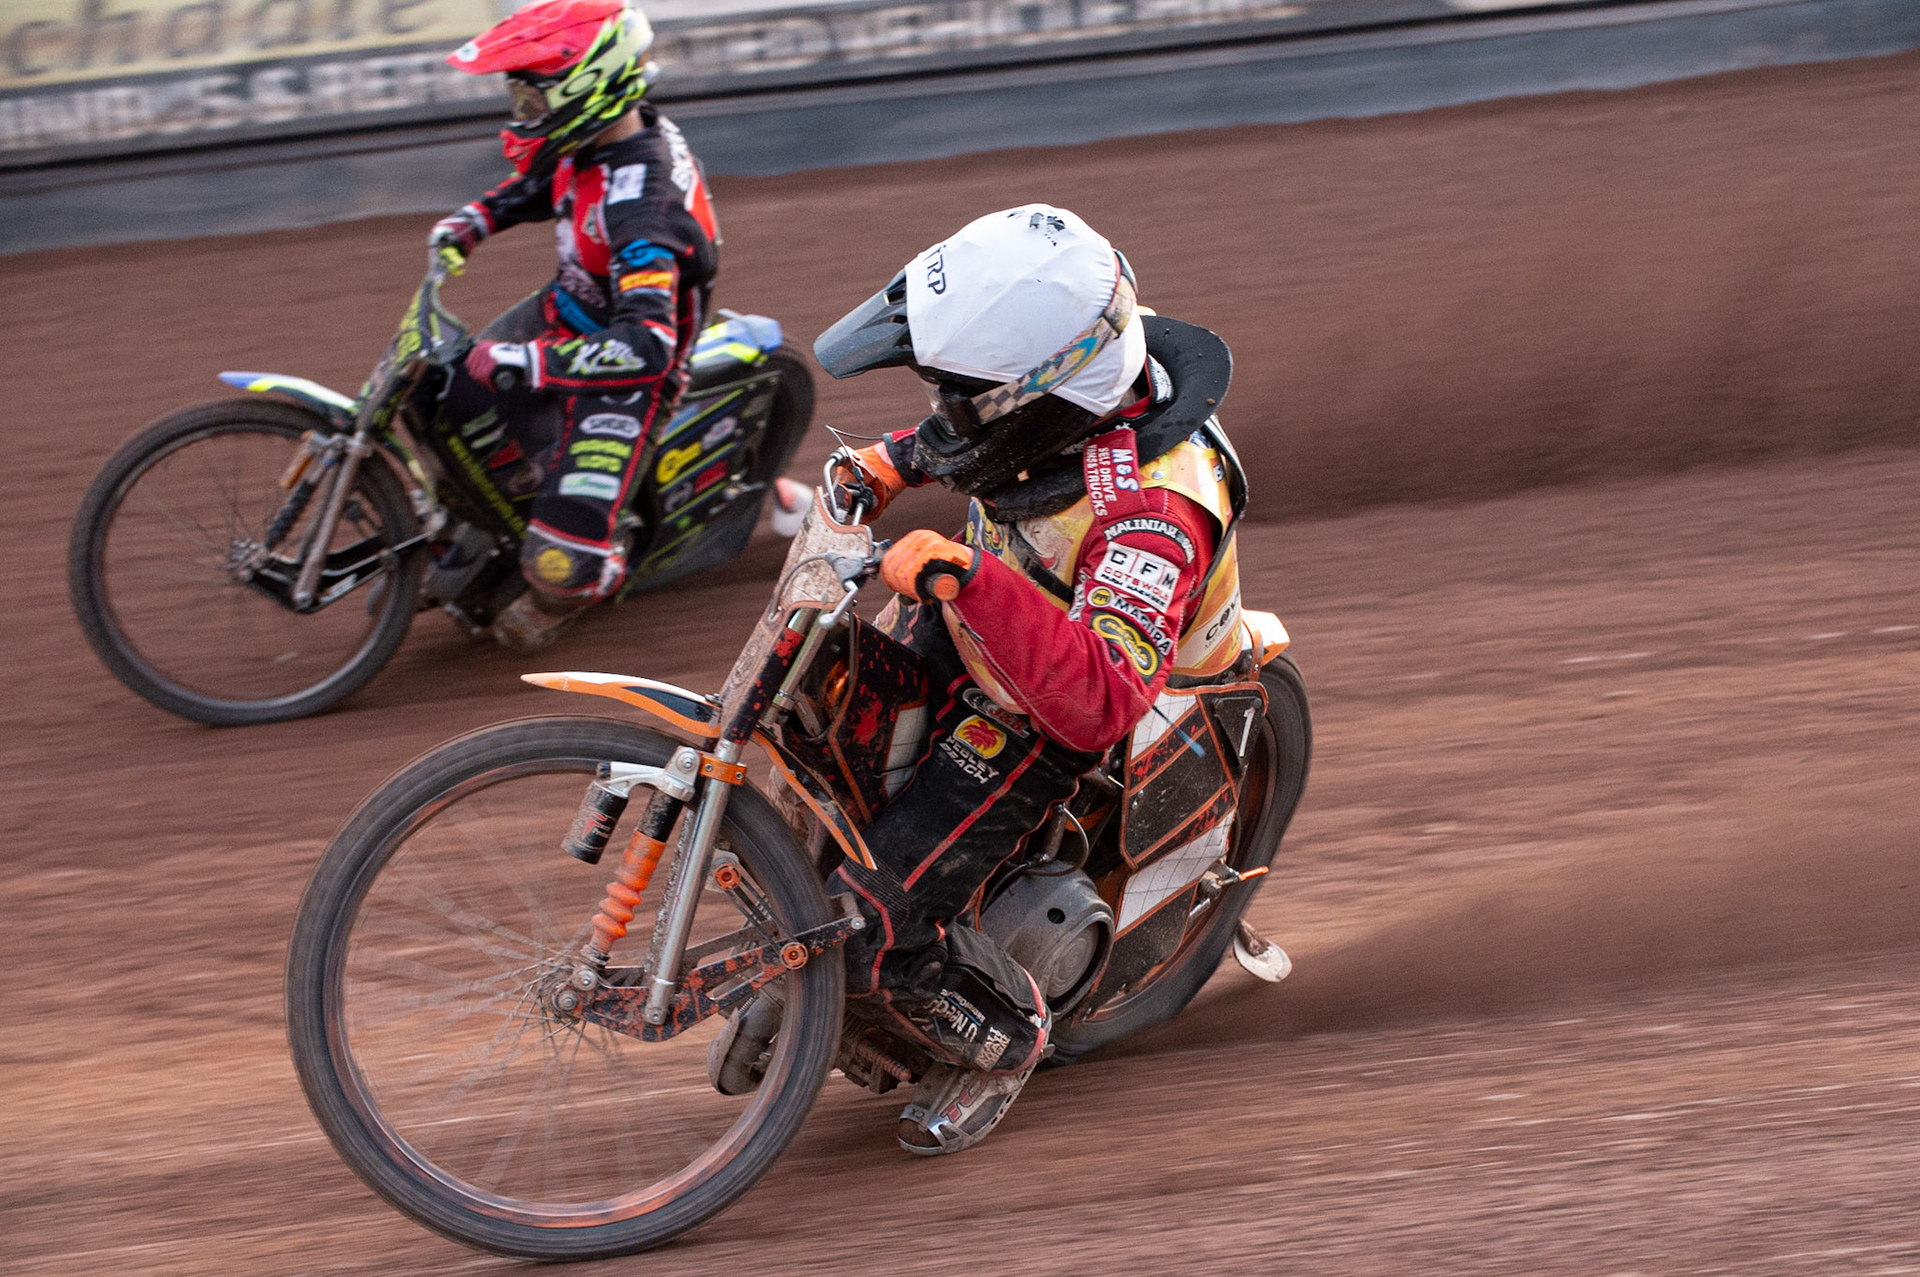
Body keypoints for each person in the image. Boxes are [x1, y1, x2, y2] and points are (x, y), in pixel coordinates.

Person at [712, 205, 1249, 1155]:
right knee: (811, 750)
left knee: (877, 924)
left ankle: (1004, 1040)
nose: (946, 408)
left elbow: (1098, 704)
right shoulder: (1065, 371)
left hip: (1049, 703)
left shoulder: (1155, 516)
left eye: (959, 396)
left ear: (1032, 401)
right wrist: (886, 462)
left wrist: (973, 578)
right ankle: (815, 973)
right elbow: (977, 427)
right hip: (978, 619)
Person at [429, 0, 721, 649]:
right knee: (446, 395)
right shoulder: (595, 135)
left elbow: (647, 344)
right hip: (565, 310)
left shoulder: (646, 210)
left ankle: (597, 567)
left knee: (557, 567)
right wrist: (476, 219)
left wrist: (530, 365)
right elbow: (549, 181)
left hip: (631, 366)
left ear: (586, 90)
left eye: (531, 101)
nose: (522, 115)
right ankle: (518, 493)